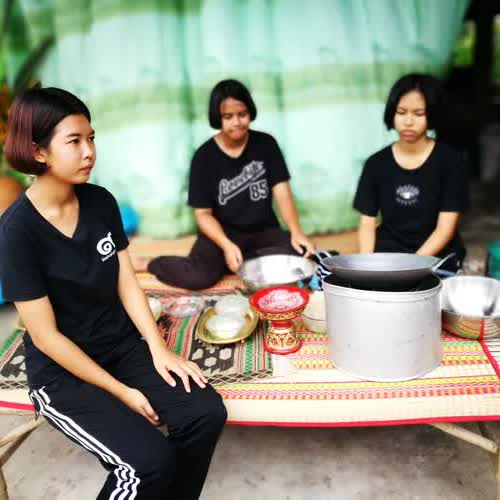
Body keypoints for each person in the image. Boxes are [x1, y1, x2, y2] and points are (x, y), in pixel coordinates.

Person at [0, 88, 226, 500]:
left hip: (120, 346)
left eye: (91, 138)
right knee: (147, 463)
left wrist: (158, 349)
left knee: (204, 412)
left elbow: (126, 282)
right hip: (62, 374)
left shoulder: (100, 202)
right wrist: (121, 393)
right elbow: (46, 338)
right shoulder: (16, 232)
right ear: (38, 152)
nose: (89, 151)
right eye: (74, 141)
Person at [135, 79, 314, 289]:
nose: (237, 122)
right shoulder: (203, 157)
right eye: (228, 117)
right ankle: (149, 263)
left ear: (250, 112)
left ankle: (238, 262)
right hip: (220, 235)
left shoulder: (267, 144)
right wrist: (227, 245)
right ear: (217, 118)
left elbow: (282, 193)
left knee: (303, 255)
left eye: (242, 114)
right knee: (199, 277)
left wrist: (296, 231)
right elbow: (203, 214)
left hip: (263, 232)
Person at [353, 73, 469, 272]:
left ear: (432, 114)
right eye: (401, 112)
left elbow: (445, 229)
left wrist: (412, 269)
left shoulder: (451, 161)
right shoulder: (376, 164)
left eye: (418, 113)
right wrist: (367, 265)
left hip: (437, 257)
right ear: (392, 113)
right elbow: (367, 223)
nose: (408, 121)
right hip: (389, 254)